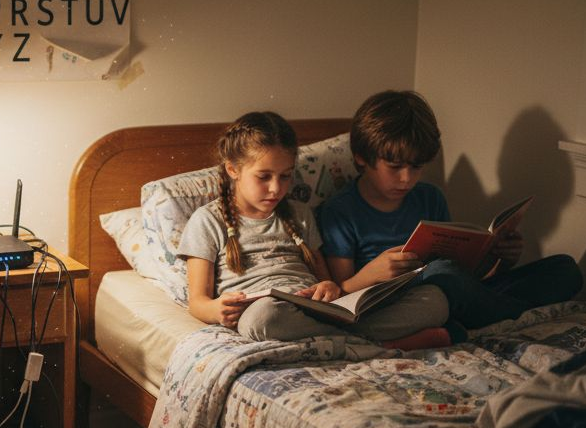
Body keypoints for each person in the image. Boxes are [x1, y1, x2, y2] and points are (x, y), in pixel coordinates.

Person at [319, 90, 583, 335]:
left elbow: (468, 276)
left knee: (565, 269)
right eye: (395, 166)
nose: (406, 179)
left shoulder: (430, 197)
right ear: (361, 157)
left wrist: (501, 258)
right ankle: (507, 315)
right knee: (440, 275)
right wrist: (373, 273)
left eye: (416, 167)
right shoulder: (341, 212)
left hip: (456, 290)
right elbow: (342, 295)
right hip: (405, 303)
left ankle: (482, 317)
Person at [179, 110, 450, 346]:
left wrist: (329, 289)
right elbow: (198, 302)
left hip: (315, 309)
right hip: (265, 309)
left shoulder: (299, 214)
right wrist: (217, 310)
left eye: (285, 176)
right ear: (232, 169)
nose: (276, 188)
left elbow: (326, 281)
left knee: (434, 300)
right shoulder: (207, 221)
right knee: (264, 319)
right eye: (264, 177)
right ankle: (377, 345)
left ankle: (348, 341)